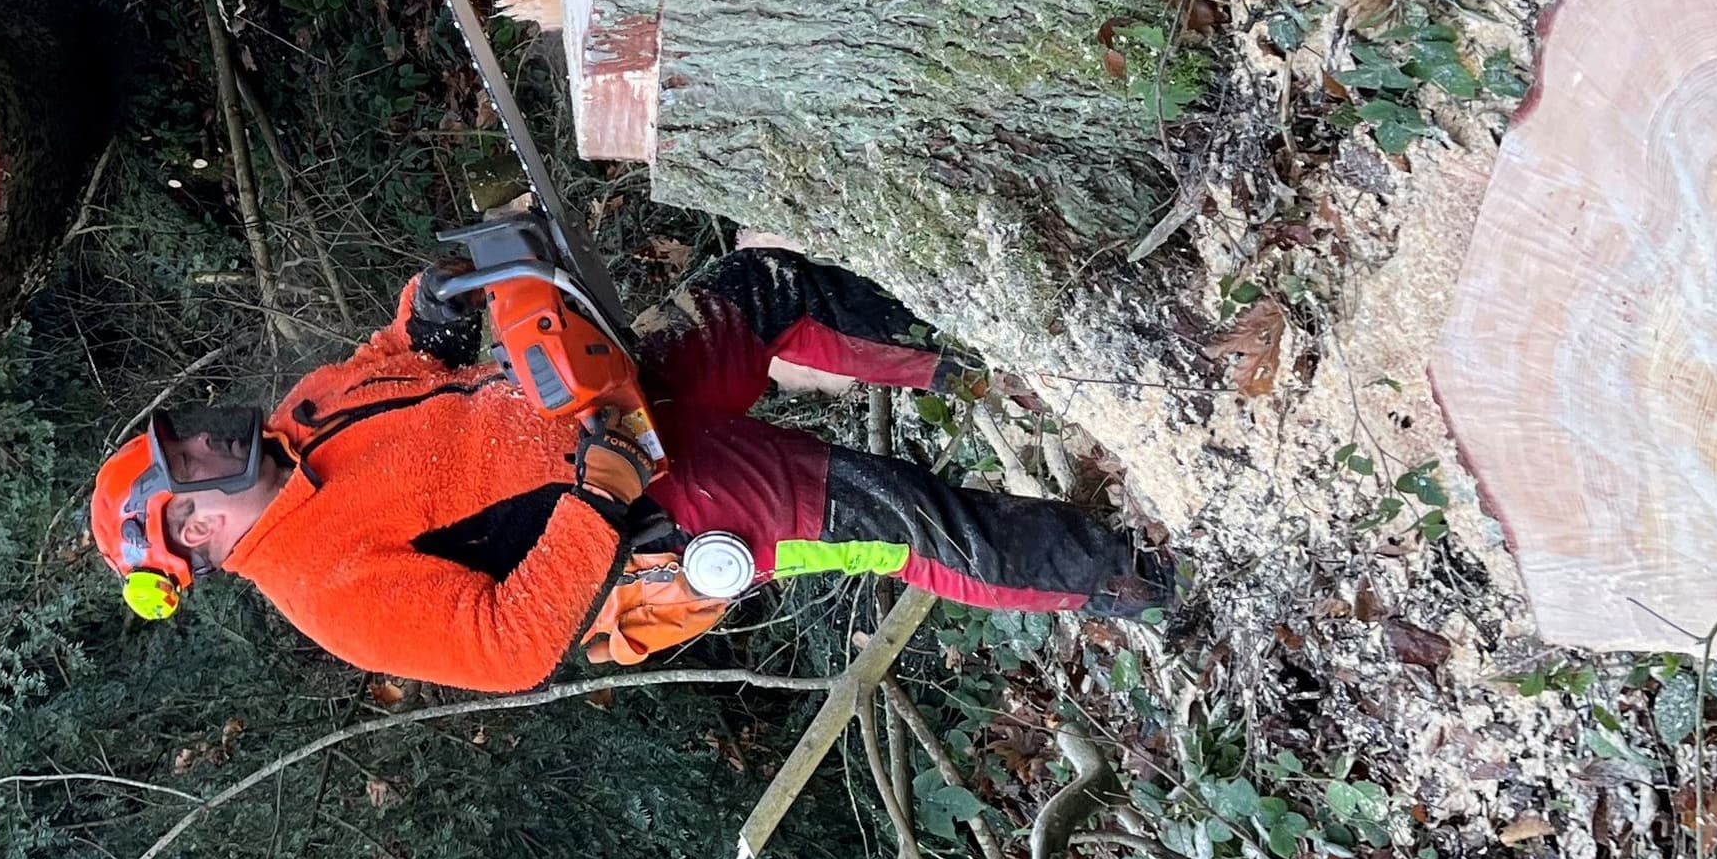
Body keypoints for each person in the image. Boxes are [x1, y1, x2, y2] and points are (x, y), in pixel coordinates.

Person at [86, 244, 1168, 693]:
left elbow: (395, 360)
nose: (210, 443)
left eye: (186, 438)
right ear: (190, 534)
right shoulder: (327, 593)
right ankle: (1139, 574)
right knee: (900, 517)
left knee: (763, 287)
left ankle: (995, 365)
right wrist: (596, 501)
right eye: (189, 463)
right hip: (645, 505)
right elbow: (507, 647)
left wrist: (437, 304)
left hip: (594, 394)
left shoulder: (300, 419)